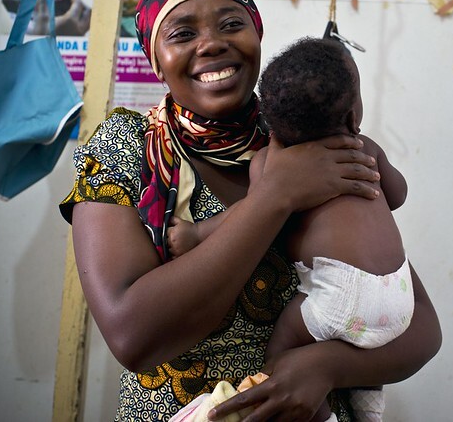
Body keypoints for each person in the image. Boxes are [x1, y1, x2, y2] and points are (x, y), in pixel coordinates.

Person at [59, 0, 442, 421]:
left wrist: (324, 366)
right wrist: (273, 198)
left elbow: (418, 323)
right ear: (155, 60)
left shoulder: (310, 138)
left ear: (257, 36)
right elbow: (133, 336)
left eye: (231, 24)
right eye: (181, 34)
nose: (212, 43)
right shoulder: (125, 148)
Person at [167, 37, 419, 421]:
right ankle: (367, 414)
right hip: (400, 301)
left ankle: (319, 417)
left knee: (283, 352)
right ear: (352, 117)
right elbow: (398, 194)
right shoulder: (364, 146)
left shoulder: (270, 163)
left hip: (341, 301)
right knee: (362, 348)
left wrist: (196, 235)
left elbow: (253, 213)